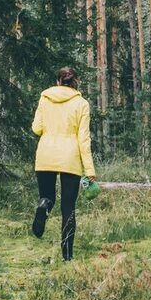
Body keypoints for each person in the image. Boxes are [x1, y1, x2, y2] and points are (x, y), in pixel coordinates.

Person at [30, 66, 96, 261]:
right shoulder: (81, 104)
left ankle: (43, 205)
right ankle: (67, 257)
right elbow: (84, 140)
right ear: (75, 81)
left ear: (58, 81)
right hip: (70, 157)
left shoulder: (45, 98)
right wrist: (89, 169)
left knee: (48, 196)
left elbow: (36, 128)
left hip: (45, 155)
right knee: (68, 208)